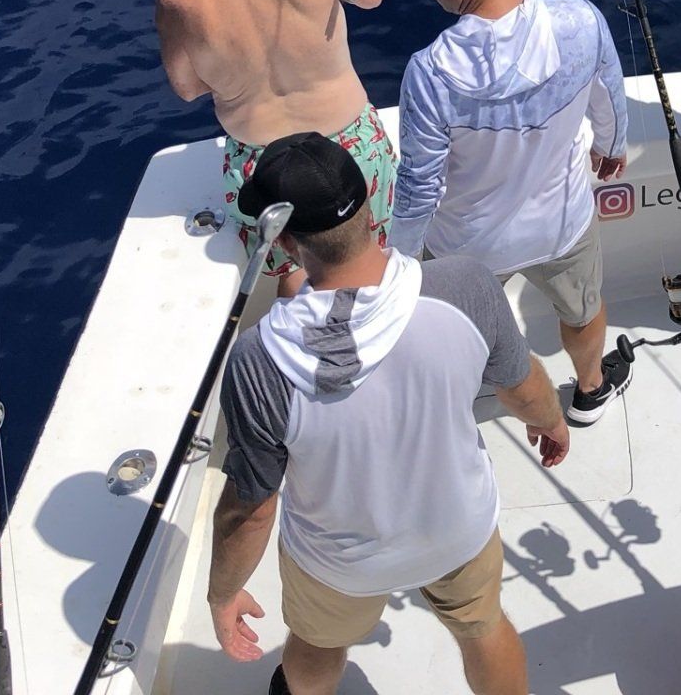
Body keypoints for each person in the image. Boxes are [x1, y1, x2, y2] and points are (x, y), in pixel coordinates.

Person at [209, 131, 569, 695]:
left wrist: (222, 592)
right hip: (458, 532)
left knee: (316, 646)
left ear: (283, 243)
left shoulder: (259, 360)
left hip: (339, 564)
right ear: (374, 205)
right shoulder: (465, 287)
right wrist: (550, 421)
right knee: (483, 627)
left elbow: (252, 512)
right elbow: (523, 389)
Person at [384, 0, 632, 426]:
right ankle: (590, 390)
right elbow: (609, 100)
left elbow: (420, 186)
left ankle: (463, 408)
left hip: (468, 246)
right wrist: (610, 150)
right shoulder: (580, 21)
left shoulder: (430, 72)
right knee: (583, 311)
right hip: (561, 225)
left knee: (462, 333)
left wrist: (399, 263)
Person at [140, 0, 396, 298]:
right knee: (369, 258)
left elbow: (187, 89)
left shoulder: (179, 3)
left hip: (266, 166)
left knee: (295, 279)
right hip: (353, 144)